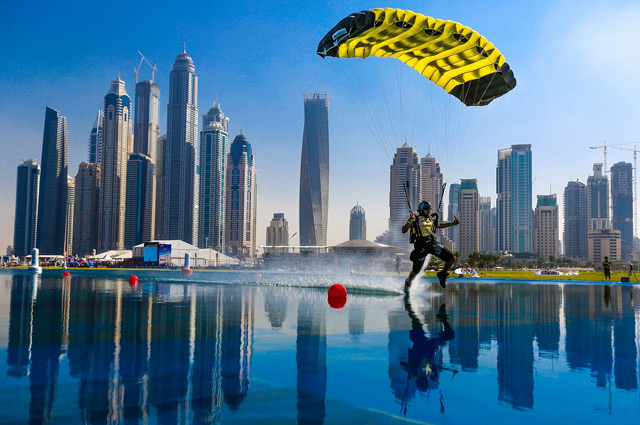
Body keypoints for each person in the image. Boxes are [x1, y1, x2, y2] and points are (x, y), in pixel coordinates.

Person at [402, 200, 459, 292]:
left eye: (430, 209)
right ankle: (408, 282)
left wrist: (452, 223)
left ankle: (442, 274)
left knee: (452, 258)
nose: (429, 211)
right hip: (421, 247)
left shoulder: (431, 219)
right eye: (426, 209)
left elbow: (438, 225)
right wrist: (409, 221)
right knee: (416, 271)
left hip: (432, 244)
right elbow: (403, 230)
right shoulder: (415, 219)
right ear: (421, 210)